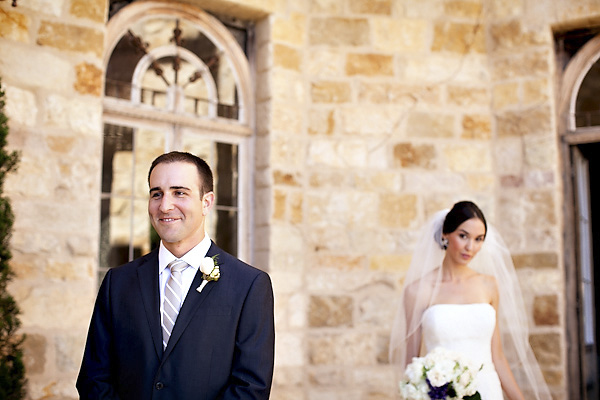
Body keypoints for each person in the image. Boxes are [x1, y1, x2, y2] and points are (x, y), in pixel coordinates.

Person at [77, 151, 275, 399]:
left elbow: (251, 388)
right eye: (156, 193)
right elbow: (93, 379)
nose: (165, 206)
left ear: (206, 202)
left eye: (179, 192)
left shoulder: (249, 286)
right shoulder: (117, 283)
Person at [389, 201, 551, 400]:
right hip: (442, 394)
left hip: (488, 390)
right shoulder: (417, 291)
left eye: (478, 239)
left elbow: (497, 357)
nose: (470, 247)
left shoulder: (488, 286)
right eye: (463, 236)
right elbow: (411, 364)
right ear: (445, 234)